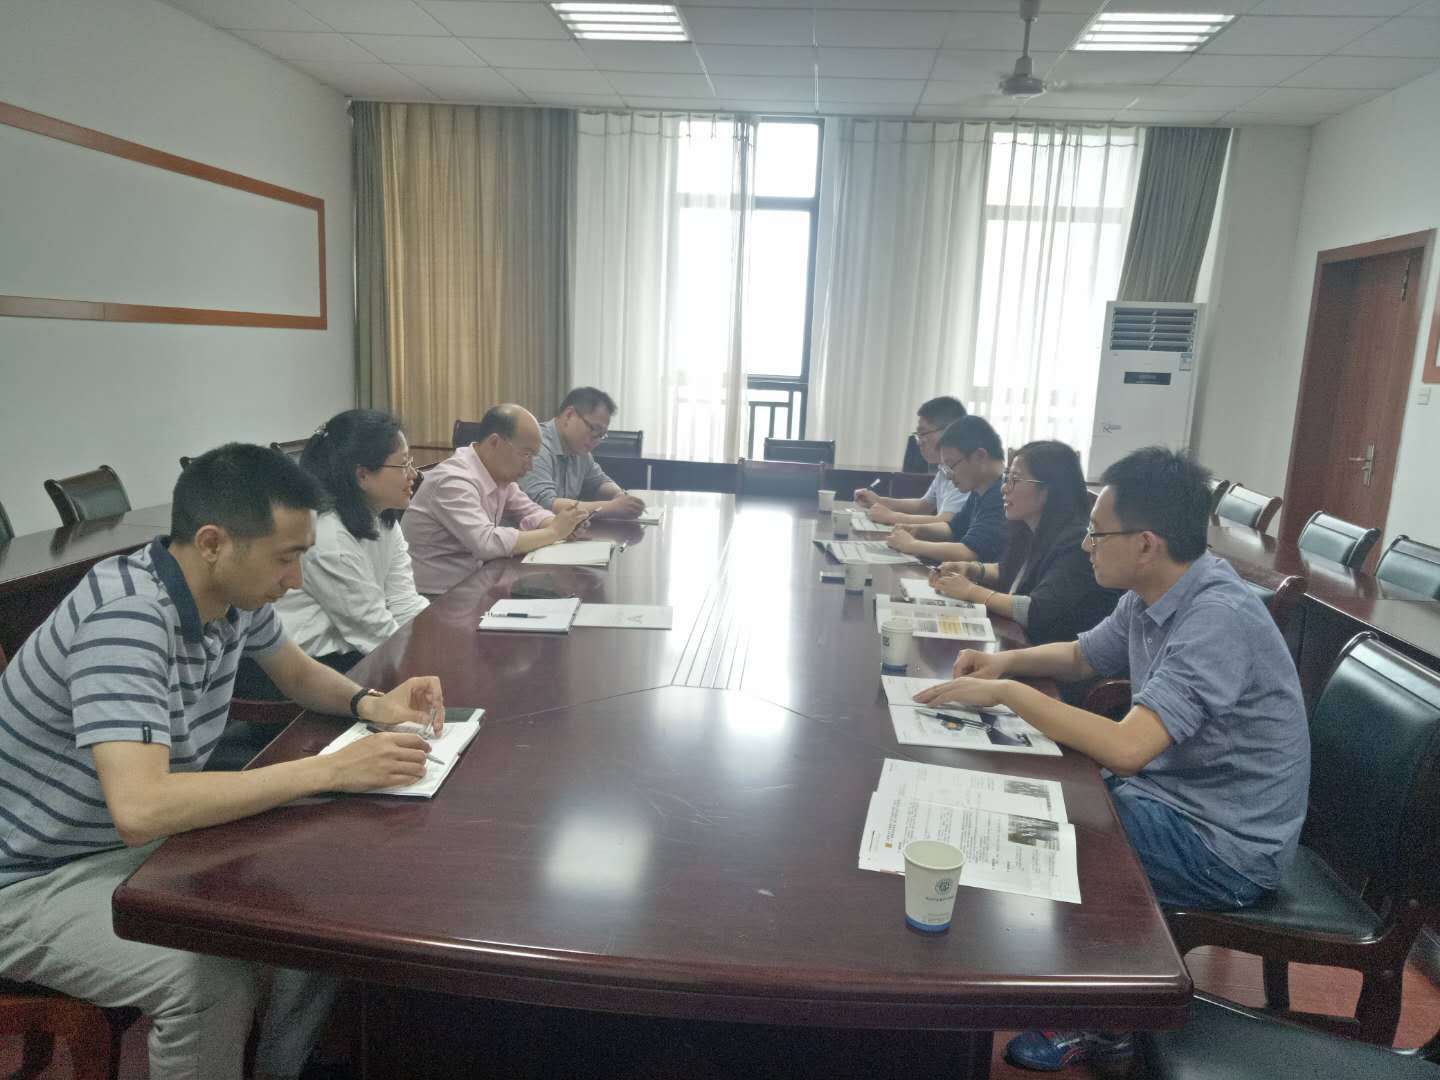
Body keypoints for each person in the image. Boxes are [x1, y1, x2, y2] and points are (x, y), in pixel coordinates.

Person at [0, 443, 446, 1080]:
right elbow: (142, 808)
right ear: (212, 542)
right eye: (285, 558)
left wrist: (372, 704)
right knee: (201, 977)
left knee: (322, 900)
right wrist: (332, 770)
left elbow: (296, 673)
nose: (296, 580)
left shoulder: (229, 595)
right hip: (28, 876)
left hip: (112, 844)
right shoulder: (126, 619)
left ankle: (280, 1067)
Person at [914, 446, 1310, 1072]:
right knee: (1039, 798)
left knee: (1049, 835)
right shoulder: (1154, 592)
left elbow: (1128, 748)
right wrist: (1003, 662)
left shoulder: (1216, 617)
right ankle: (1073, 990)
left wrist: (1009, 694)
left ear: (1146, 544)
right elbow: (1082, 656)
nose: (1086, 545)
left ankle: (1105, 1023)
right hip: (1171, 799)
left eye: (1098, 534)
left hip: (1224, 843)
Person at [234, 410, 429, 702]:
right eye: (403, 464)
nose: (414, 474)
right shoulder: (328, 536)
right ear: (362, 475)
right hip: (290, 669)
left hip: (350, 648)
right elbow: (373, 632)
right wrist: (432, 661)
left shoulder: (382, 518)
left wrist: (436, 641)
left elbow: (404, 602)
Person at [926, 440, 1120, 645]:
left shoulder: (1076, 544)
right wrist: (971, 569)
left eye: (1015, 480)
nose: (1004, 488)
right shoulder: (1030, 528)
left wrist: (971, 591)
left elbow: (1036, 610)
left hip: (1050, 654)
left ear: (1047, 490)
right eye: (1006, 478)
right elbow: (1012, 570)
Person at [401, 404, 589, 595]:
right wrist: (554, 532)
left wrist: (563, 524)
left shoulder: (497, 475)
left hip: (475, 584)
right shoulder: (454, 480)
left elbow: (530, 510)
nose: (530, 466)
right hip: (435, 597)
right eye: (526, 454)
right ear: (494, 443)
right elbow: (487, 543)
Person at [886, 415, 1007, 563]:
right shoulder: (979, 490)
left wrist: (912, 545)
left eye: (951, 465)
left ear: (979, 456)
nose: (948, 476)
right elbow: (953, 529)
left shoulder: (1002, 495)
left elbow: (969, 552)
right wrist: (918, 529)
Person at [520, 386, 646, 518]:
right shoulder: (536, 444)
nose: (596, 440)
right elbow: (545, 504)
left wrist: (619, 495)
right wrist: (613, 507)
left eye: (601, 435)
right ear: (569, 415)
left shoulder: (580, 450)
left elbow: (599, 481)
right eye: (594, 429)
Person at [852, 396, 969, 526]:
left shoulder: (965, 470)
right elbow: (923, 506)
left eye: (923, 433)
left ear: (949, 431)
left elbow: (947, 522)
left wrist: (892, 517)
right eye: (918, 435)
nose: (919, 442)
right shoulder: (943, 468)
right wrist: (878, 501)